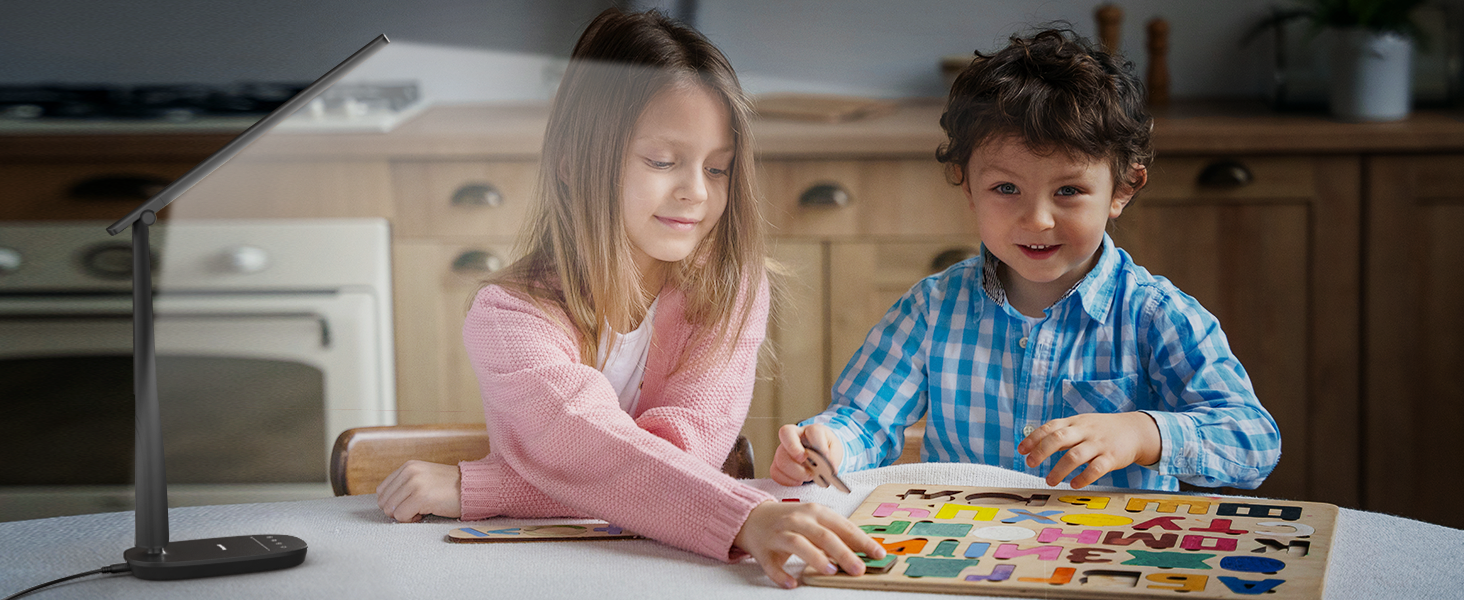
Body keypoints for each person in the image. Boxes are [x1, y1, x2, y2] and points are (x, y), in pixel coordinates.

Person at [373, 8, 882, 588]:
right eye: (663, 162)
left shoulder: (733, 286)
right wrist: (747, 517)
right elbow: (590, 450)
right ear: (571, 163)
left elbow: (680, 452)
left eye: (718, 169)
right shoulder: (507, 316)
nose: (695, 191)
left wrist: (485, 487)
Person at [770, 28, 1281, 492]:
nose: (1036, 219)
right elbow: (862, 421)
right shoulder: (931, 309)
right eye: (1006, 188)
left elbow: (1254, 442)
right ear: (967, 187)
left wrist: (1144, 432)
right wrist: (827, 448)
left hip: (1100, 562)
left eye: (1069, 190)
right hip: (965, 552)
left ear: (1123, 189)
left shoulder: (1154, 315)